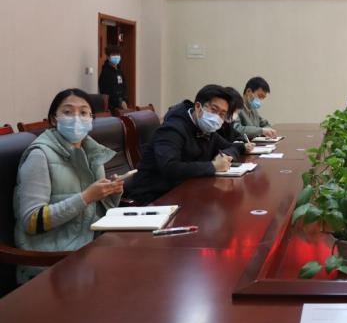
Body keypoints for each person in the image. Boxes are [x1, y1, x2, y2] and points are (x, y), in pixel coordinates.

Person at [13, 88, 124, 283]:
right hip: (52, 258)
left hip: (89, 244)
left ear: (91, 119)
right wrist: (87, 196)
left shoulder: (92, 151)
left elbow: (95, 210)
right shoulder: (39, 156)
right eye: (67, 112)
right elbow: (32, 221)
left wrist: (111, 192)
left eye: (83, 112)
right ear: (53, 119)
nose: (76, 118)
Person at [124, 84, 253, 204]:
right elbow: (169, 167)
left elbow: (230, 146)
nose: (217, 118)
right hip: (154, 199)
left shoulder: (206, 130)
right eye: (214, 110)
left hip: (186, 192)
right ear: (198, 107)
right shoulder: (173, 129)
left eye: (222, 114)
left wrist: (230, 154)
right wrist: (213, 166)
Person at [98, 44, 128, 110]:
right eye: (114, 55)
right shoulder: (105, 72)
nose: (116, 57)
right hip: (111, 107)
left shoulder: (119, 71)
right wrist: (119, 102)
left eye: (118, 54)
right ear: (108, 57)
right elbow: (106, 92)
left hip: (122, 104)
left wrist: (124, 100)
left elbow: (124, 86)